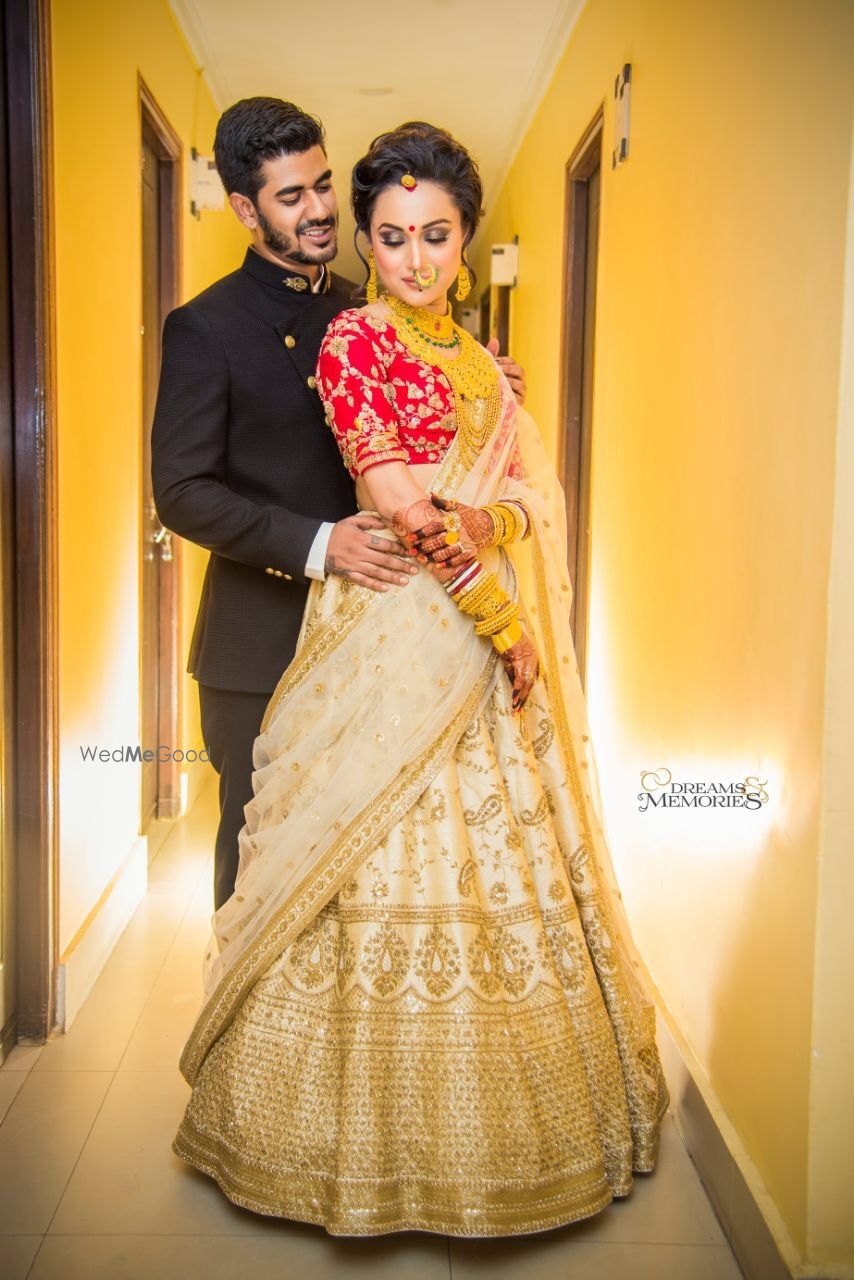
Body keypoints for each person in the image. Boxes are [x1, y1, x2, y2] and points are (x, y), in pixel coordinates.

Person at [172, 121, 670, 1237]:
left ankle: (497, 1124)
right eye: (388, 235)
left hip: (454, 633)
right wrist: (498, 614)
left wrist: (488, 489)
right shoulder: (308, 335)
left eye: (433, 234)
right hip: (368, 625)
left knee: (498, 853)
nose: (410, 255)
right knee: (321, 846)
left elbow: (515, 488)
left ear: (459, 236)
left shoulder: (465, 348)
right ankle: (320, 1120)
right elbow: (379, 505)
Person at [151, 99, 526, 911]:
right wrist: (321, 544)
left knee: (367, 868)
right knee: (263, 861)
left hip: (390, 627)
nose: (319, 208)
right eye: (292, 197)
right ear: (245, 210)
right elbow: (180, 492)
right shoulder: (206, 328)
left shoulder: (378, 305)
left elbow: (433, 427)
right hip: (263, 641)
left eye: (322, 184)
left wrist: (485, 393)